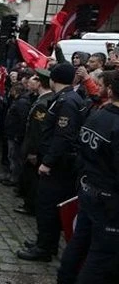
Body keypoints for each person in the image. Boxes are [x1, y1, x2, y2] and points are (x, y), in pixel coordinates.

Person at [17, 63, 85, 262]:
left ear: (54, 79)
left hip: (58, 165)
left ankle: (44, 248)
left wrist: (47, 161)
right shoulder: (66, 98)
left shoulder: (66, 101)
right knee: (48, 205)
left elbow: (62, 136)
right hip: (59, 162)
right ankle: (46, 242)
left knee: (47, 205)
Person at [57, 73, 119, 283]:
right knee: (101, 257)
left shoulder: (97, 114)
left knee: (79, 242)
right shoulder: (112, 120)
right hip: (109, 199)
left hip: (89, 190)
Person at [16, 70, 53, 216]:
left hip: (35, 149)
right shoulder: (42, 99)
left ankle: (30, 205)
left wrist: (33, 151)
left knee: (32, 178)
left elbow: (37, 130)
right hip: (33, 146)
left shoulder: (43, 103)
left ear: (39, 83)